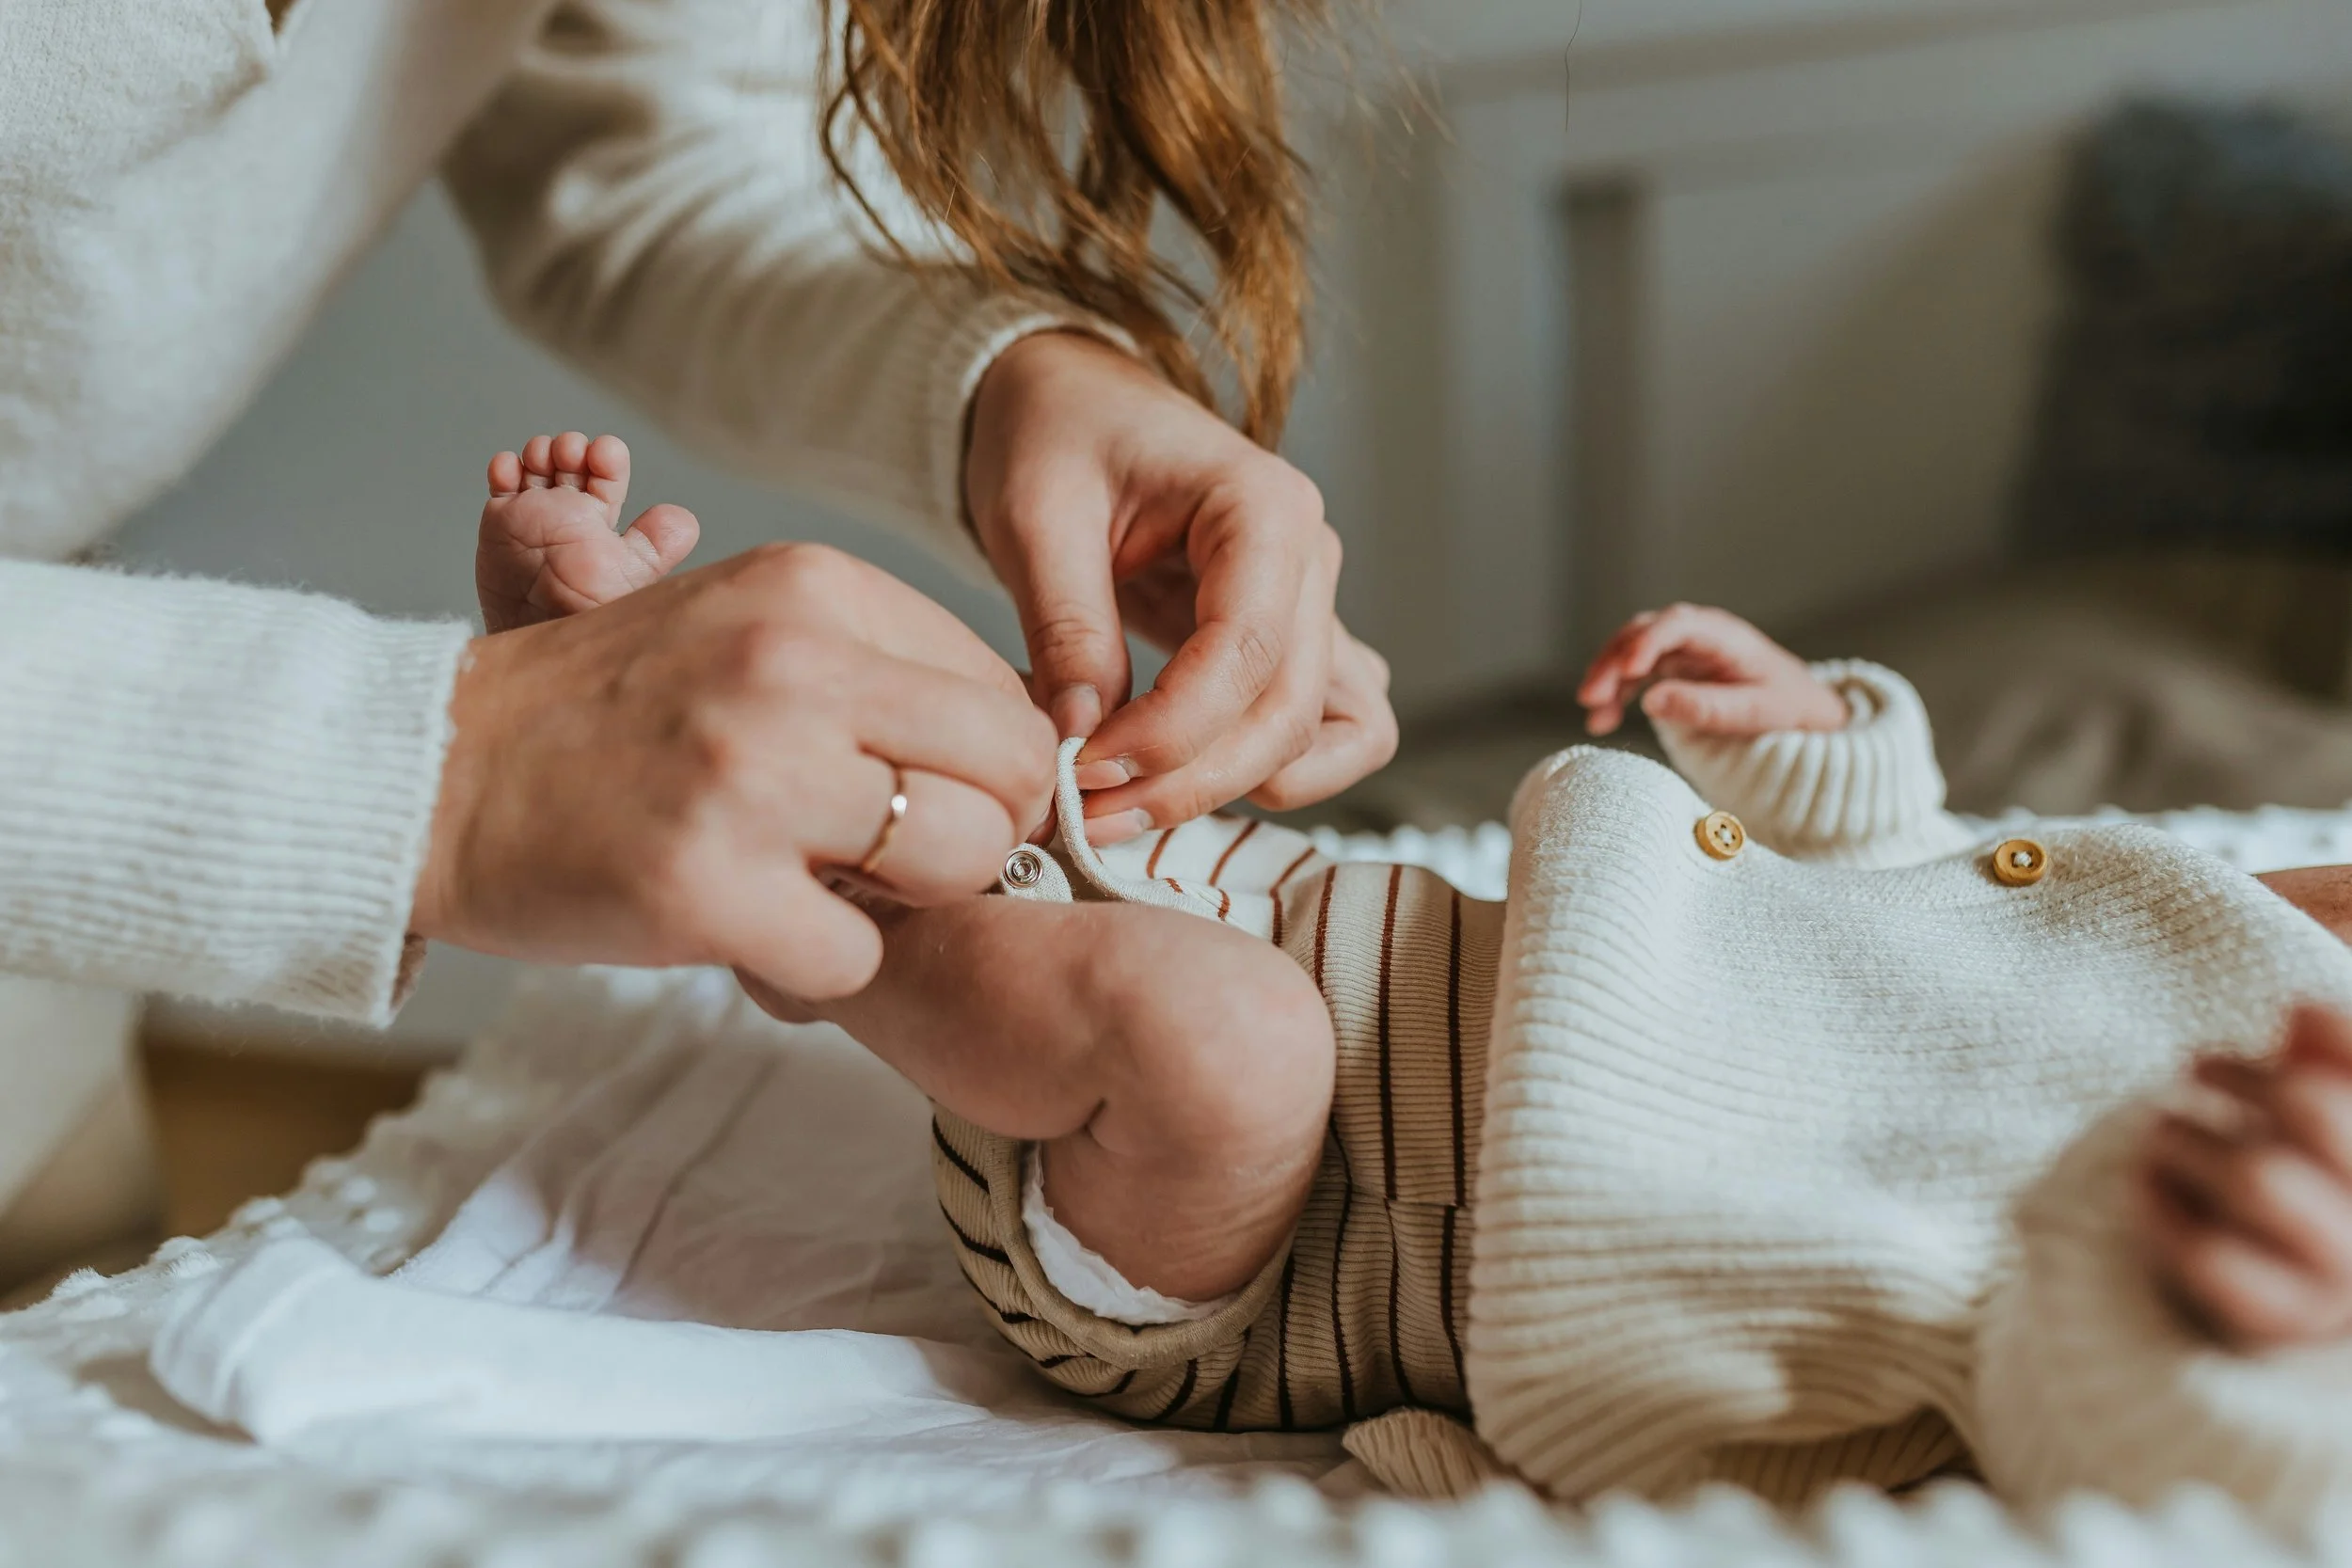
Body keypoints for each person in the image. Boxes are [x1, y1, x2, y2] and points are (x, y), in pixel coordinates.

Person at [485, 447, 2352, 1527]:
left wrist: (2261, 1339)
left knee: (1201, 1032)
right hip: (1362, 922)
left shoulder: (2239, 1259)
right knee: (997, 723)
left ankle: (796, 920)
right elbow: (1921, 905)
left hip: (1287, 1243)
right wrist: (1815, 743)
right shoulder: (2201, 921)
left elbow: (2124, 1466)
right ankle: (616, 657)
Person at [0, 0, 1391, 1281]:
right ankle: (839, 917)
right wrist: (444, 777)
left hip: (41, 979)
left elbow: (644, 153)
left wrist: (1009, 375)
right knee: (1197, 1031)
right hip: (74, 809)